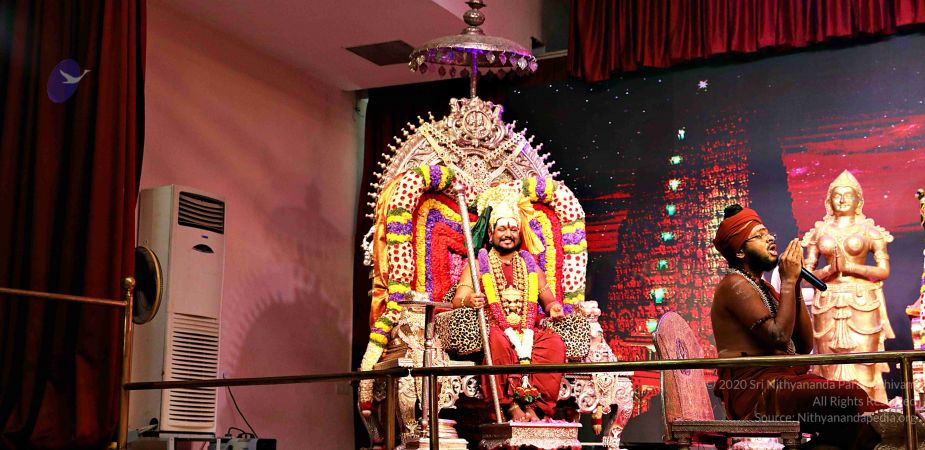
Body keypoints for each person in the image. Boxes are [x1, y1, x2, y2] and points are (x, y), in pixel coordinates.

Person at [711, 204, 886, 449]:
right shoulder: (734, 285)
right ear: (740, 251)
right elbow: (778, 336)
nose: (770, 238)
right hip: (754, 393)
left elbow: (803, 346)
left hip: (782, 383)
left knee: (871, 418)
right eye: (759, 236)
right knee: (848, 397)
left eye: (768, 233)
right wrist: (788, 281)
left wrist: (794, 286)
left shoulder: (763, 288)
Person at [452, 185, 566, 422]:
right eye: (502, 228)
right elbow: (457, 300)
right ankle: (511, 405)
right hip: (496, 328)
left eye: (514, 229)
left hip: (528, 330)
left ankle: (535, 407)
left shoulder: (530, 266)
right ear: (491, 233)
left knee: (553, 343)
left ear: (520, 235)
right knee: (498, 341)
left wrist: (554, 308)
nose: (508, 234)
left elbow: (549, 300)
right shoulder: (477, 265)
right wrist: (469, 300)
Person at [802, 170, 894, 403]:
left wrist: (850, 267)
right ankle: (832, 416)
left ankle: (868, 410)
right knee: (828, 365)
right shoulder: (819, 233)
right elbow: (805, 275)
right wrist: (829, 270)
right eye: (837, 195)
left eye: (848, 195)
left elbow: (883, 271)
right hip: (828, 300)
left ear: (859, 201)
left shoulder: (870, 232)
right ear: (829, 201)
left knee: (864, 363)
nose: (842, 200)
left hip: (862, 300)